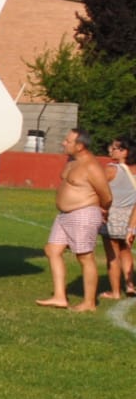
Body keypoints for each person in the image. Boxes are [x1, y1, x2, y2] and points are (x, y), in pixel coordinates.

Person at [38, 129, 113, 312]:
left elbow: (107, 195)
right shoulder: (72, 161)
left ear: (80, 146)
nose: (64, 143)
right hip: (64, 215)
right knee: (52, 250)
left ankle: (89, 303)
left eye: (68, 141)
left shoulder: (91, 166)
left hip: (83, 214)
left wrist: (102, 210)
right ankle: (59, 297)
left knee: (85, 257)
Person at [103, 136, 134, 300]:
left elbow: (99, 188)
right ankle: (130, 284)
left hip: (113, 215)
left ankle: (115, 291)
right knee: (126, 249)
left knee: (112, 254)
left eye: (114, 147)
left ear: (124, 151)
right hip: (131, 216)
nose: (110, 150)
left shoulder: (111, 169)